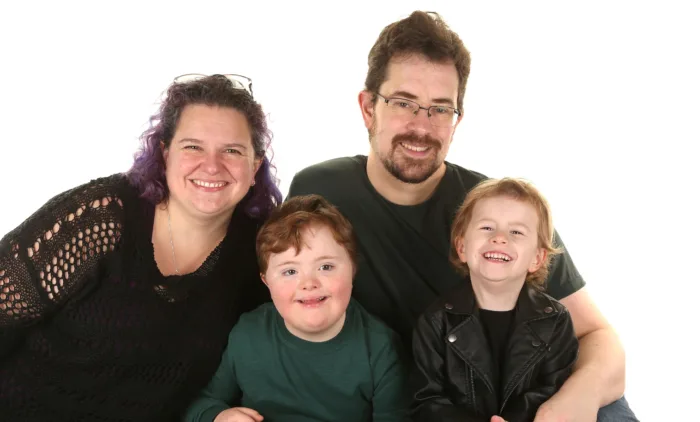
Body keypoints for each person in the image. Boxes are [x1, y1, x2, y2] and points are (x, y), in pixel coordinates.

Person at [286, 11, 637, 422]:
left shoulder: (496, 211)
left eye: (440, 109)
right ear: (368, 108)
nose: (422, 126)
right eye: (403, 103)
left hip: (526, 396)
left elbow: (599, 336)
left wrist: (573, 400)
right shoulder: (320, 192)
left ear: (457, 121)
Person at [0, 74, 281, 421]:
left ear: (254, 167)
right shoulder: (102, 217)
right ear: (164, 154)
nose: (212, 165)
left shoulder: (260, 254)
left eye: (233, 151)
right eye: (193, 146)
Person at [184, 194, 410, 422]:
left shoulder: (381, 348)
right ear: (266, 282)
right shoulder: (248, 332)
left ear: (352, 270)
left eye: (326, 266)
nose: (309, 283)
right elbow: (201, 403)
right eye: (290, 271)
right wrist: (219, 417)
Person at [411, 178, 579, 421]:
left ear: (537, 258)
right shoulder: (436, 321)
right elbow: (427, 400)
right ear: (462, 247)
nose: (500, 238)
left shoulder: (555, 321)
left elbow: (553, 390)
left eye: (516, 232)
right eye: (487, 228)